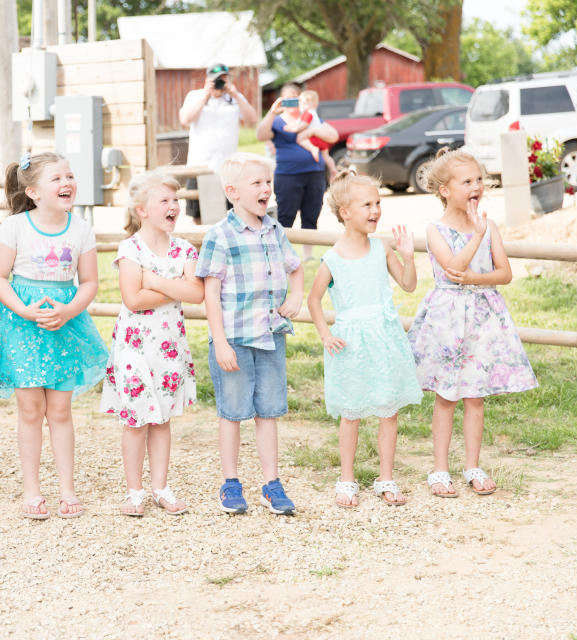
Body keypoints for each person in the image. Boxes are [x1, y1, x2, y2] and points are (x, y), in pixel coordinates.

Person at [408, 149, 538, 498]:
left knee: (476, 395)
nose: (476, 186)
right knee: (446, 397)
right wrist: (477, 239)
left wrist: (476, 276)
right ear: (445, 190)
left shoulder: (489, 225)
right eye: (467, 181)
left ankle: (472, 466)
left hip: (482, 318)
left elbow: (505, 273)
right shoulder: (435, 229)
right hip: (448, 320)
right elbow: (453, 269)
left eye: (479, 179)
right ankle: (439, 470)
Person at [0, 151, 108, 519]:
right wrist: (22, 310)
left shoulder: (81, 228)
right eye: (57, 178)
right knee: (30, 409)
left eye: (69, 176)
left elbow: (89, 282)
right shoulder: (16, 227)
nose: (67, 183)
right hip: (23, 325)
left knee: (60, 409)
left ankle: (68, 490)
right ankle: (31, 490)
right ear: (35, 192)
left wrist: (69, 310)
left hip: (64, 325)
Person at [195, 152, 304, 515]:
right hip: (236, 340)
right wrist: (220, 341)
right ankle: (230, 483)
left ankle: (271, 484)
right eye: (256, 183)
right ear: (232, 191)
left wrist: (297, 296)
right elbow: (210, 293)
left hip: (271, 335)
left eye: (267, 182)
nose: (266, 189)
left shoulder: (274, 229)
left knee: (268, 411)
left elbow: (295, 267)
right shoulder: (220, 236)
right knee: (233, 412)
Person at [306, 170, 423, 508]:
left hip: (385, 337)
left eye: (378, 203)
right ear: (345, 212)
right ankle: (347, 478)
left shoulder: (381, 248)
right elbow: (314, 300)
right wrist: (325, 334)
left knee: (389, 410)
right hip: (351, 343)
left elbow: (409, 284)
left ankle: (386, 477)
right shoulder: (332, 258)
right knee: (351, 411)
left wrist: (408, 256)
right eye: (367, 204)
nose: (375, 210)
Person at [100, 171, 203, 517]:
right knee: (136, 420)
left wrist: (155, 280)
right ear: (142, 210)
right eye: (165, 200)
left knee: (161, 419)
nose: (174, 206)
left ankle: (161, 487)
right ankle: (134, 492)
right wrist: (174, 286)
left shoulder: (185, 248)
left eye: (176, 200)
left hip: (169, 346)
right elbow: (133, 299)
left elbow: (196, 293)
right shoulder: (130, 248)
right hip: (134, 347)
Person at [257, 83, 339, 260]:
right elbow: (261, 135)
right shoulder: (277, 122)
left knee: (312, 214)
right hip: (288, 175)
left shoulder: (311, 118)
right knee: (286, 215)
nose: (292, 100)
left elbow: (333, 136)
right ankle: (281, 255)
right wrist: (272, 112)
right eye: (288, 97)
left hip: (315, 173)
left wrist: (315, 130)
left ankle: (308, 255)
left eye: (295, 96)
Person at [179, 63, 258, 223]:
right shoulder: (195, 96)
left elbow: (252, 119)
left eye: (223, 79)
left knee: (231, 215)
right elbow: (185, 120)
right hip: (199, 165)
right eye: (216, 79)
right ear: (207, 80)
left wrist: (235, 94)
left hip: (227, 167)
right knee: (198, 215)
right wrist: (206, 95)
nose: (219, 83)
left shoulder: (235, 98)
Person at [284, 91, 336, 176]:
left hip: (314, 139)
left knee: (299, 139)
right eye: (301, 103)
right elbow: (298, 121)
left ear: (313, 104)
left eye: (304, 104)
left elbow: (303, 125)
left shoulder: (308, 114)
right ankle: (333, 168)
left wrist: (293, 129)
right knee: (326, 156)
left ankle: (312, 149)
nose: (302, 106)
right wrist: (290, 126)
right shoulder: (314, 114)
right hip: (322, 139)